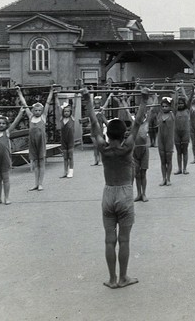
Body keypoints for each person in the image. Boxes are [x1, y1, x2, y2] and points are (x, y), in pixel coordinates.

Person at [82, 87, 148, 289]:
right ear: (123, 133)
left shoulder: (103, 146)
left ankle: (112, 279)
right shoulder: (127, 147)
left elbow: (93, 123)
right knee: (124, 240)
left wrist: (87, 99)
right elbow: (137, 122)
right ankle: (123, 277)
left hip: (108, 193)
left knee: (109, 240)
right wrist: (144, 99)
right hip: (125, 193)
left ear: (108, 133)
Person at [18, 86, 55, 191]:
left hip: (41, 142)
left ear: (42, 111)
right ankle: (36, 183)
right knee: (35, 163)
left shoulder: (43, 117)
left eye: (39, 110)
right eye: (36, 110)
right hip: (32, 142)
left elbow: (47, 103)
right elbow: (24, 104)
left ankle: (41, 183)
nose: (38, 112)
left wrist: (51, 92)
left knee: (41, 162)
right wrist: (19, 92)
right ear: (33, 110)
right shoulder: (30, 117)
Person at [132, 90, 152, 202]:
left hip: (144, 149)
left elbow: (151, 110)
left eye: (143, 115)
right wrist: (123, 101)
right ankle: (138, 193)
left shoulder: (147, 122)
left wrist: (152, 97)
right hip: (135, 150)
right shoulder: (134, 124)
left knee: (143, 172)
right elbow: (125, 110)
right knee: (136, 174)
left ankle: (144, 193)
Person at [54, 91, 76, 178]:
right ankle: (65, 171)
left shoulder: (72, 118)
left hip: (70, 140)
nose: (66, 113)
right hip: (63, 140)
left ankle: (71, 171)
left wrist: (75, 95)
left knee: (70, 155)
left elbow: (74, 106)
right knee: (65, 157)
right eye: (65, 111)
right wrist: (56, 97)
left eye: (68, 111)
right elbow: (58, 106)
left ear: (70, 112)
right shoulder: (61, 118)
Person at [157, 93, 176, 186]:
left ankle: (168, 178)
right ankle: (163, 178)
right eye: (163, 106)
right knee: (162, 161)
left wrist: (174, 94)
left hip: (169, 141)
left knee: (169, 160)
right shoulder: (159, 115)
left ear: (169, 107)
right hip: (161, 140)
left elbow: (175, 104)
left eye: (166, 106)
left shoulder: (172, 114)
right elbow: (155, 107)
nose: (164, 108)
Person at [90, 93, 112, 165]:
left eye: (98, 103)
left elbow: (105, 121)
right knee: (95, 146)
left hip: (99, 131)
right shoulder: (92, 111)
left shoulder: (101, 111)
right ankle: (96, 160)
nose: (97, 104)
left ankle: (100, 160)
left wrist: (110, 95)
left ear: (100, 104)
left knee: (100, 146)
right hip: (93, 130)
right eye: (95, 103)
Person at [174, 84, 190, 175]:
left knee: (185, 151)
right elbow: (175, 102)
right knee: (178, 152)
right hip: (177, 133)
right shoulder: (175, 111)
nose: (180, 105)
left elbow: (187, 100)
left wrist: (182, 89)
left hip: (185, 133)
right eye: (179, 103)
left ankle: (185, 168)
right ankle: (179, 168)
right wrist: (176, 91)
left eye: (181, 103)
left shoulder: (187, 110)